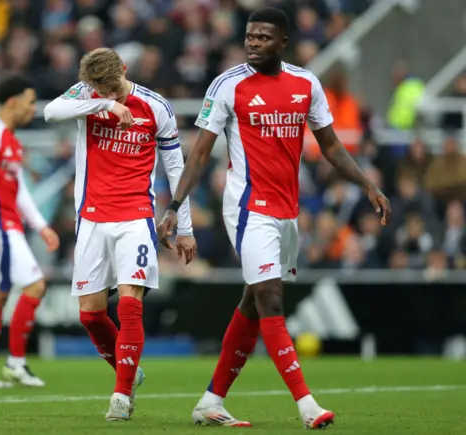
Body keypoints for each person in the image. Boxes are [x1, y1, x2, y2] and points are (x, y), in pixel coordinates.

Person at [157, 8, 390, 429]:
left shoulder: (306, 84)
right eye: (249, 36)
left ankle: (211, 401)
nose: (253, 43)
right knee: (271, 299)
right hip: (247, 208)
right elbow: (201, 152)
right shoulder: (227, 85)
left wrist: (367, 184)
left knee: (251, 300)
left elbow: (332, 146)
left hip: (287, 211)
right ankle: (307, 405)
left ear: (283, 42)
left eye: (263, 37)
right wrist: (174, 206)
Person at [43, 47, 196, 421]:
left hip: (134, 217)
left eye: (112, 89)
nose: (107, 94)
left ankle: (122, 396)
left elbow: (176, 166)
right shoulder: (88, 95)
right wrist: (102, 106)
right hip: (92, 217)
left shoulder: (155, 106)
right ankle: (130, 372)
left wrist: (185, 225)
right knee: (91, 316)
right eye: (99, 89)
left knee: (129, 304)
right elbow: (49, 112)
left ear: (124, 71)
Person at [0, 75, 60, 388]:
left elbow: (18, 191)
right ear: (12, 102)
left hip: (6, 224)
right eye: (30, 102)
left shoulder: (12, 141)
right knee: (34, 284)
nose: (34, 109)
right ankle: (16, 362)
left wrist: (41, 225)